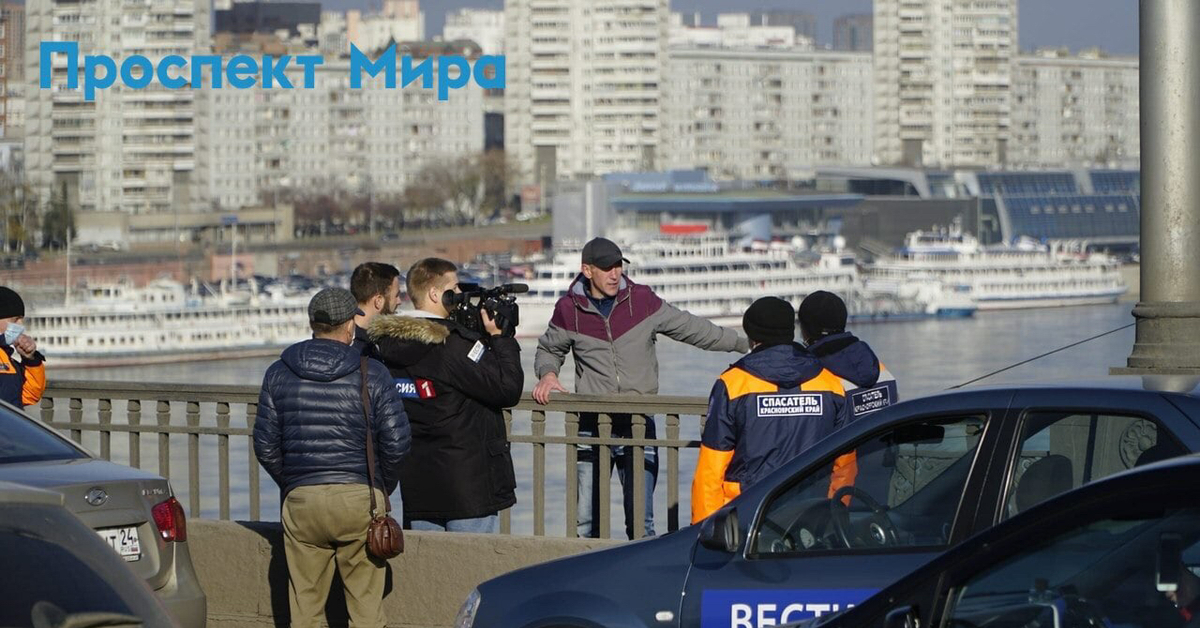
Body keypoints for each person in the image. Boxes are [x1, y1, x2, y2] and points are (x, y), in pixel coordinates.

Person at [532, 237, 750, 539]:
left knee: (641, 525)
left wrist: (747, 344)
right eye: (607, 267)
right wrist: (547, 374)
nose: (614, 274)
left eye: (619, 266)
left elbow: (695, 330)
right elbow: (548, 349)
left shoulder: (643, 301)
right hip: (591, 426)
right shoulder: (569, 309)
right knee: (585, 525)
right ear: (586, 270)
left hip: (639, 424)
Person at [253, 287, 411, 628]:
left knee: (305, 609)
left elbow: (265, 445)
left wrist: (296, 481)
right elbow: (397, 441)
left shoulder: (278, 372)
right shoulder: (373, 372)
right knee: (366, 610)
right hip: (360, 499)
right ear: (350, 326)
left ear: (313, 324)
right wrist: (380, 486)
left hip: (302, 501)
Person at [369, 257, 523, 534]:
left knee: (433, 571)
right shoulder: (451, 345)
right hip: (468, 487)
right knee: (472, 571)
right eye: (454, 287)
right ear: (435, 294)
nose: (460, 294)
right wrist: (501, 337)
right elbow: (507, 388)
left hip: (419, 485)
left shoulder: (389, 345)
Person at [691, 297, 849, 523]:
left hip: (747, 513)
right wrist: (835, 514)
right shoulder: (829, 383)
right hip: (811, 513)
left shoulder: (733, 384)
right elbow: (844, 462)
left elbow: (711, 469)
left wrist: (703, 530)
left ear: (752, 337)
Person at [797, 290, 898, 500]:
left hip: (829, 500)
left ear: (806, 329)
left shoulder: (813, 377)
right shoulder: (882, 370)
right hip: (878, 490)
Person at [0, 286, 46, 408]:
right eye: (15, 320)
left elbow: (29, 395)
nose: (20, 325)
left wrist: (30, 359)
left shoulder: (6, 357)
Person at [349, 262, 402, 356]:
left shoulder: (376, 340)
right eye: (396, 295)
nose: (399, 301)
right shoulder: (355, 348)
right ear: (378, 301)